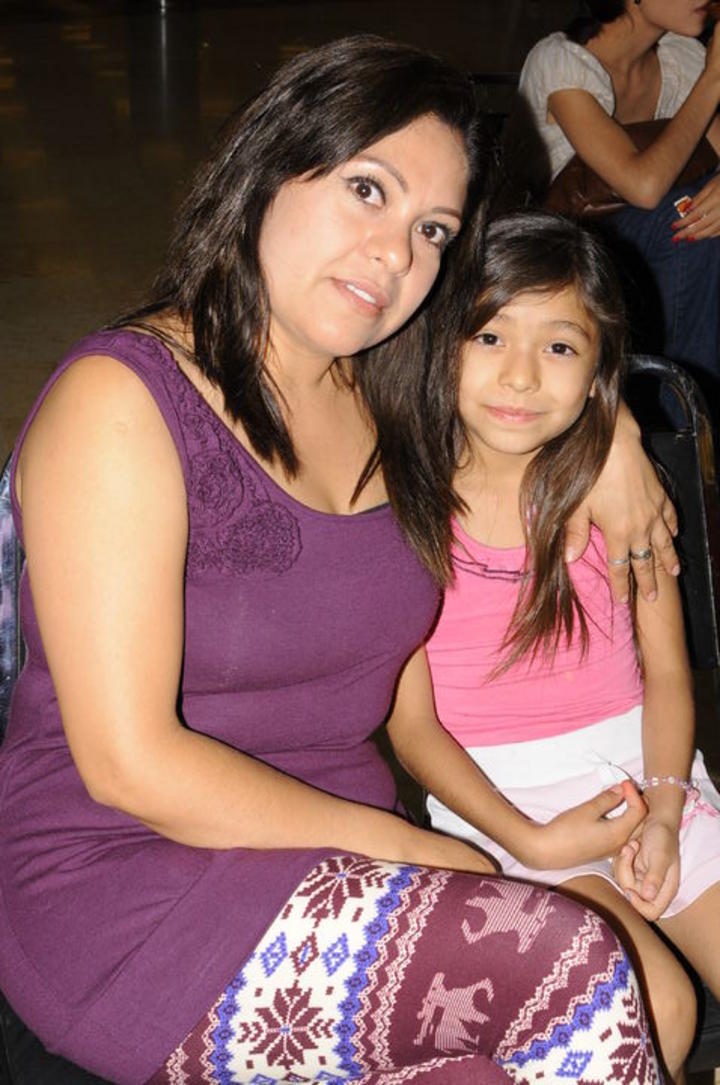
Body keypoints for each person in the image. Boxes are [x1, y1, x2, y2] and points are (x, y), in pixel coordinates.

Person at [0, 37, 669, 1085]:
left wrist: (616, 433)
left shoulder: (390, 395)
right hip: (130, 890)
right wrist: (407, 844)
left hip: (345, 869)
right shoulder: (123, 404)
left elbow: (540, 342)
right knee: (574, 969)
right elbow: (129, 761)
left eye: (432, 230)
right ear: (270, 167)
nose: (393, 253)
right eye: (367, 189)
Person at [391, 210, 720, 1080]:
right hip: (499, 806)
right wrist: (530, 840)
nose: (521, 374)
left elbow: (667, 674)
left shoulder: (620, 501)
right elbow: (413, 728)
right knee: (653, 1007)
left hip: (649, 772)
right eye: (490, 335)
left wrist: (663, 805)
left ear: (599, 369)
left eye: (561, 346)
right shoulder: (403, 506)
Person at [514, 0, 720, 411]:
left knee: (696, 210)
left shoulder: (679, 56)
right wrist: (714, 78)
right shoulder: (559, 61)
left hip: (649, 243)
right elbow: (642, 186)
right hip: (559, 247)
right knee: (684, 218)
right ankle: (685, 421)